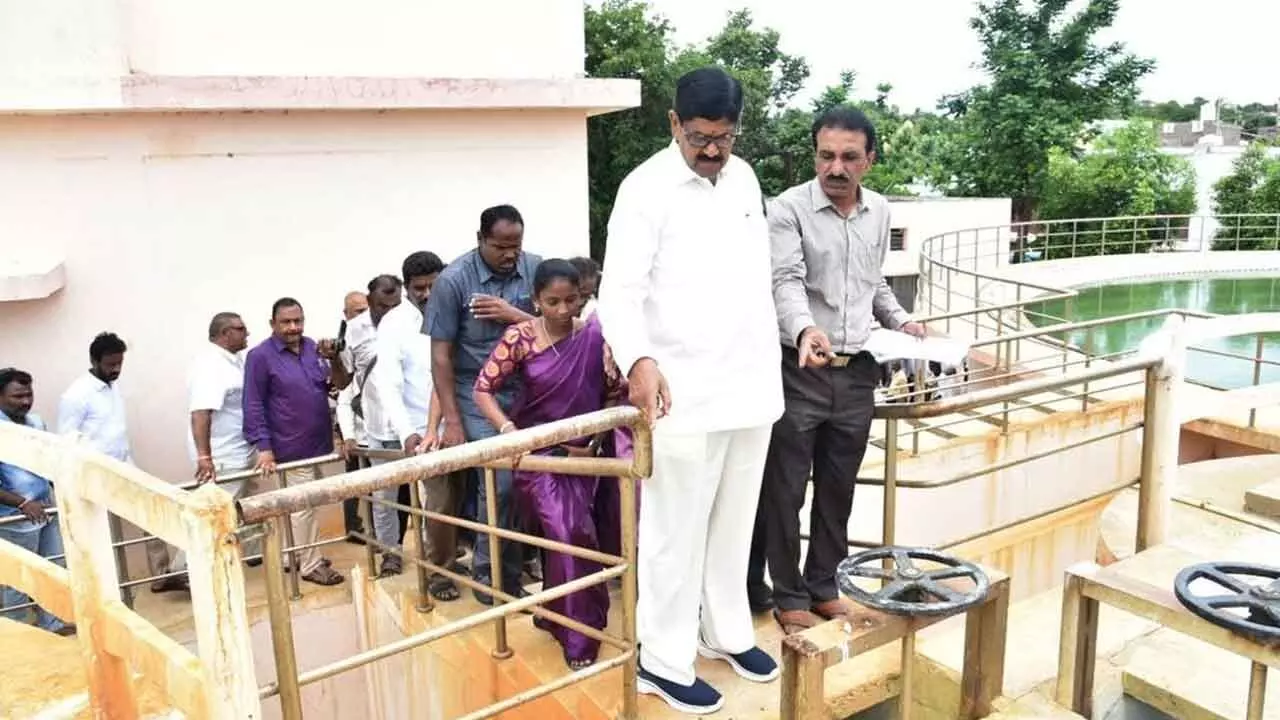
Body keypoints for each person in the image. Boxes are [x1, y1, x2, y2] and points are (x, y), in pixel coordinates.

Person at [597, 66, 783, 714]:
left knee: (735, 522)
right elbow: (617, 291)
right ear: (674, 123)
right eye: (699, 135)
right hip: (679, 393)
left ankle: (725, 630)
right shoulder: (643, 190)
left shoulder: (746, 179)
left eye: (723, 137)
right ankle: (662, 658)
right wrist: (639, 359)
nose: (711, 149)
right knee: (675, 532)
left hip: (750, 383)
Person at [763, 106, 926, 634]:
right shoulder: (788, 209)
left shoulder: (879, 211)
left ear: (870, 161)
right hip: (800, 369)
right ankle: (788, 595)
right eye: (826, 156)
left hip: (858, 373)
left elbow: (873, 282)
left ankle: (824, 586)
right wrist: (806, 329)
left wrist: (903, 322)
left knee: (839, 488)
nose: (835, 168)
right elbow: (784, 281)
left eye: (849, 157)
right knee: (785, 490)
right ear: (815, 155)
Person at [473, 259, 626, 670]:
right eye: (552, 302)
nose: (562, 310)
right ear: (536, 301)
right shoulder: (520, 337)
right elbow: (483, 387)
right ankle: (580, 639)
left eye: (571, 300)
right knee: (566, 534)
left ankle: (553, 614)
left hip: (583, 458)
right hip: (539, 456)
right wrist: (508, 431)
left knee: (577, 539)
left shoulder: (595, 337)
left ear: (583, 297)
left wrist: (594, 440)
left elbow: (613, 390)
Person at [425, 205, 541, 605]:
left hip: (527, 391)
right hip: (475, 395)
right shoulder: (453, 281)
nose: (510, 255)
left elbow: (559, 327)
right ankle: (491, 579)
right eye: (500, 247)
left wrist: (515, 315)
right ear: (480, 240)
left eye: (516, 246)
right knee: (500, 483)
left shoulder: (535, 268)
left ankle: (511, 573)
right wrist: (451, 422)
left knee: (527, 485)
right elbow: (440, 356)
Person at [57, 332, 186, 594]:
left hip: (125, 464)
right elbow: (67, 440)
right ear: (94, 361)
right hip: (97, 473)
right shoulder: (76, 395)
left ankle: (162, 575)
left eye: (119, 364)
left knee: (153, 511)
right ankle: (110, 590)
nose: (116, 370)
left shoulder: (112, 386)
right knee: (103, 535)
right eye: (110, 365)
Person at [243, 297, 351, 586]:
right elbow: (252, 403)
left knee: (302, 506)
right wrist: (264, 448)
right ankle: (311, 565)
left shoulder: (312, 348)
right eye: (286, 322)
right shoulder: (260, 356)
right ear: (272, 324)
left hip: (316, 445)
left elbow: (336, 387)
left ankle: (295, 556)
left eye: (298, 321)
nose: (293, 327)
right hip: (287, 447)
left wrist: (334, 358)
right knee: (302, 507)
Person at [0, 368, 75, 636]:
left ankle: (51, 623)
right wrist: (22, 503)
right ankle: (18, 634)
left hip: (46, 510)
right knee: (18, 579)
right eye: (17, 396)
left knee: (54, 568)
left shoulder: (36, 423)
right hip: (14, 519)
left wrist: (62, 491)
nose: (24, 401)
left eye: (28, 394)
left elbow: (49, 463)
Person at [185, 312, 262, 567]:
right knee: (215, 512)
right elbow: (200, 413)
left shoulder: (234, 360)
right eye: (240, 329)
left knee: (246, 504)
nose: (246, 333)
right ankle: (183, 569)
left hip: (243, 448)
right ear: (224, 334)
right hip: (223, 455)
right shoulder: (210, 365)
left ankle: (253, 553)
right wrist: (205, 457)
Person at [345, 275, 404, 576]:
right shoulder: (354, 329)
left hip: (415, 426)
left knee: (432, 497)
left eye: (396, 305)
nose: (390, 312)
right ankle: (390, 554)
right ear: (369, 303)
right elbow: (343, 380)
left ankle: (437, 555)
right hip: (378, 428)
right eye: (383, 306)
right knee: (384, 500)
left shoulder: (412, 321)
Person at [336, 290, 372, 543]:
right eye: (358, 312)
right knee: (355, 485)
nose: (364, 316)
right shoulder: (342, 343)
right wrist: (346, 435)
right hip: (355, 432)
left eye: (366, 310)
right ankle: (354, 528)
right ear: (346, 315)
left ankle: (377, 532)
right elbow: (344, 395)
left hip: (382, 432)